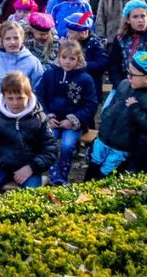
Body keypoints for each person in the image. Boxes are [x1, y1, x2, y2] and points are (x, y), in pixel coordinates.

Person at [0, 71, 58, 196]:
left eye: (20, 98)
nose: (15, 103)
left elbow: (50, 149)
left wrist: (32, 167)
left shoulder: (39, 118)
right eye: (10, 98)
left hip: (28, 167)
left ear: (29, 96)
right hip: (0, 164)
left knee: (31, 194)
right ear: (3, 97)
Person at [85, 49, 147, 180]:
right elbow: (112, 105)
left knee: (104, 179)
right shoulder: (124, 85)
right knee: (90, 173)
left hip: (120, 148)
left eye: (132, 75)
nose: (128, 77)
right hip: (103, 140)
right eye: (128, 72)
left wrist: (135, 108)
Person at [33, 40, 99, 185]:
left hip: (74, 124)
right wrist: (47, 116)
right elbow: (39, 97)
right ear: (59, 56)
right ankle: (55, 176)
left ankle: (63, 177)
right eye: (64, 57)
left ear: (78, 59)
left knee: (67, 145)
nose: (67, 62)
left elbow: (91, 105)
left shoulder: (85, 79)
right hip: (53, 121)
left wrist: (74, 120)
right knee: (49, 143)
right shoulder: (49, 74)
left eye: (72, 59)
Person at [0, 21, 45, 111]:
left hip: (23, 111)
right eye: (8, 38)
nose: (12, 42)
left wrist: (29, 108)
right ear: (1, 39)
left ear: (22, 38)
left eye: (16, 38)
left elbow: (38, 89)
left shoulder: (32, 62)